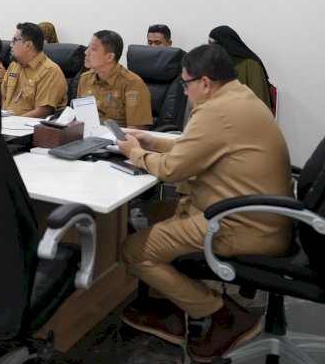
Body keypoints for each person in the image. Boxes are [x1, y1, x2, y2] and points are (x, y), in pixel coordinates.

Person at [116, 44, 293, 361]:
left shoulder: (214, 111)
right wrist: (152, 141)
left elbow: (173, 170)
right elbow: (196, 148)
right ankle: (171, 307)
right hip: (264, 215)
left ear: (206, 82)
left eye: (185, 84)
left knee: (132, 250)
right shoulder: (240, 96)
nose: (184, 91)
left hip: (239, 224)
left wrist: (135, 153)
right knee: (158, 212)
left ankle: (224, 314)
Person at [77, 30, 152, 129]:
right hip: (88, 137)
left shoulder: (132, 84)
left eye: (93, 49)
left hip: (117, 141)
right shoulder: (84, 79)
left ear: (109, 56)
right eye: (88, 47)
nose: (86, 52)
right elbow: (78, 118)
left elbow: (137, 130)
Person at [0, 22, 67, 117]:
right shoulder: (13, 66)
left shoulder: (50, 71)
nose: (11, 45)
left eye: (15, 40)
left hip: (28, 129)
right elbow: (3, 98)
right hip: (6, 124)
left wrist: (12, 122)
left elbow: (42, 111)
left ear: (28, 45)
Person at [208, 25, 272, 109]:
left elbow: (259, 101)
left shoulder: (250, 65)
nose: (209, 48)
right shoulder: (215, 65)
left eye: (211, 43)